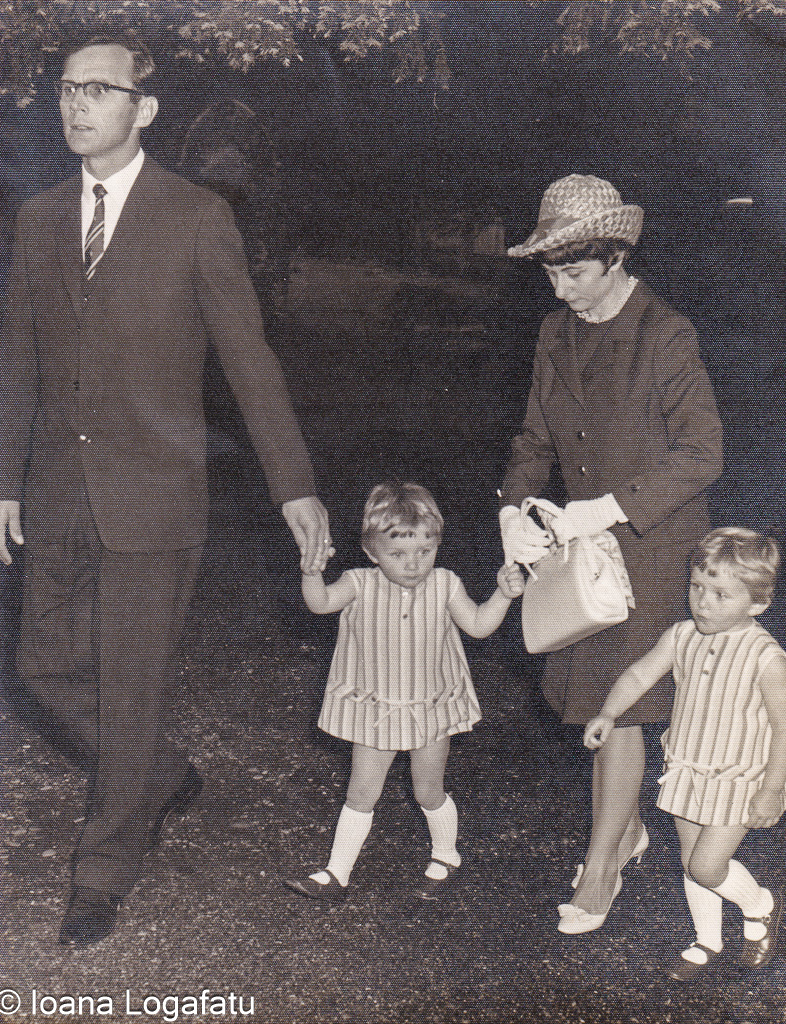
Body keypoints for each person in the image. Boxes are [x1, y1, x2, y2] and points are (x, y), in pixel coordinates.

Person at [0, 31, 332, 947]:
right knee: (40, 669)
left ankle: (101, 873)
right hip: (58, 491)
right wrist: (4, 480)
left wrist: (294, 486)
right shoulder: (39, 216)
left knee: (131, 688)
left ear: (144, 109)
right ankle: (159, 774)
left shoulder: (196, 217)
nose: (76, 104)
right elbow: (18, 357)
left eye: (98, 90)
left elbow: (248, 358)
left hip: (157, 498)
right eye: (68, 88)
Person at [499, 174, 723, 934]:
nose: (561, 290)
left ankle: (601, 870)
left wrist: (607, 507)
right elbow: (534, 439)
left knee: (619, 711)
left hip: (655, 547)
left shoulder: (666, 333)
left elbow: (704, 453)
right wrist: (513, 512)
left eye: (575, 272)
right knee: (600, 704)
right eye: (551, 273)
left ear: (616, 258)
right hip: (584, 556)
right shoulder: (554, 332)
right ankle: (622, 835)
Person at [284, 481, 524, 898]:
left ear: (437, 545)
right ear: (371, 552)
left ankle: (447, 854)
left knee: (427, 790)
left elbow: (478, 626)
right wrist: (312, 572)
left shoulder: (446, 584)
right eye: (398, 554)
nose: (413, 564)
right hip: (376, 707)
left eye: (424, 551)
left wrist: (503, 595)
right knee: (361, 791)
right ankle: (337, 873)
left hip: (431, 706)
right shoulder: (358, 583)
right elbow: (319, 603)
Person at [585, 528, 786, 978]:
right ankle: (707, 940)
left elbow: (784, 728)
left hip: (741, 779)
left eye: (720, 594)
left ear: (757, 604)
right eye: (697, 587)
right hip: (687, 769)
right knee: (690, 863)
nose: (703, 603)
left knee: (708, 865)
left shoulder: (767, 658)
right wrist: (609, 712)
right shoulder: (681, 636)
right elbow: (639, 675)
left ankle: (761, 905)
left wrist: (773, 790)